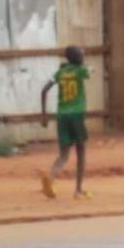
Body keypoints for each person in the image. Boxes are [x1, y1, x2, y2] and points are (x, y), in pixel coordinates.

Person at [40, 45, 91, 199]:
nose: (83, 57)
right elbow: (90, 71)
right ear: (77, 58)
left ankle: (51, 177)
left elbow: (44, 90)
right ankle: (78, 190)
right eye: (81, 55)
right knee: (81, 152)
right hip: (76, 115)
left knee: (63, 154)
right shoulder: (81, 71)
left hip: (62, 115)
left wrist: (44, 116)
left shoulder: (59, 73)